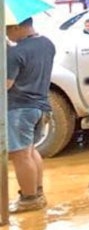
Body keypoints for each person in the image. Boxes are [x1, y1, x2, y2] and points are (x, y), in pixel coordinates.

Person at [7, 15, 55, 213]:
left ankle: (28, 199)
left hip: (19, 108)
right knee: (30, 151)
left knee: (20, 156)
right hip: (41, 105)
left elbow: (6, 85)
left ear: (17, 26)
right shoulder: (47, 44)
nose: (6, 33)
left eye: (7, 28)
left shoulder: (15, 53)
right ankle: (37, 193)